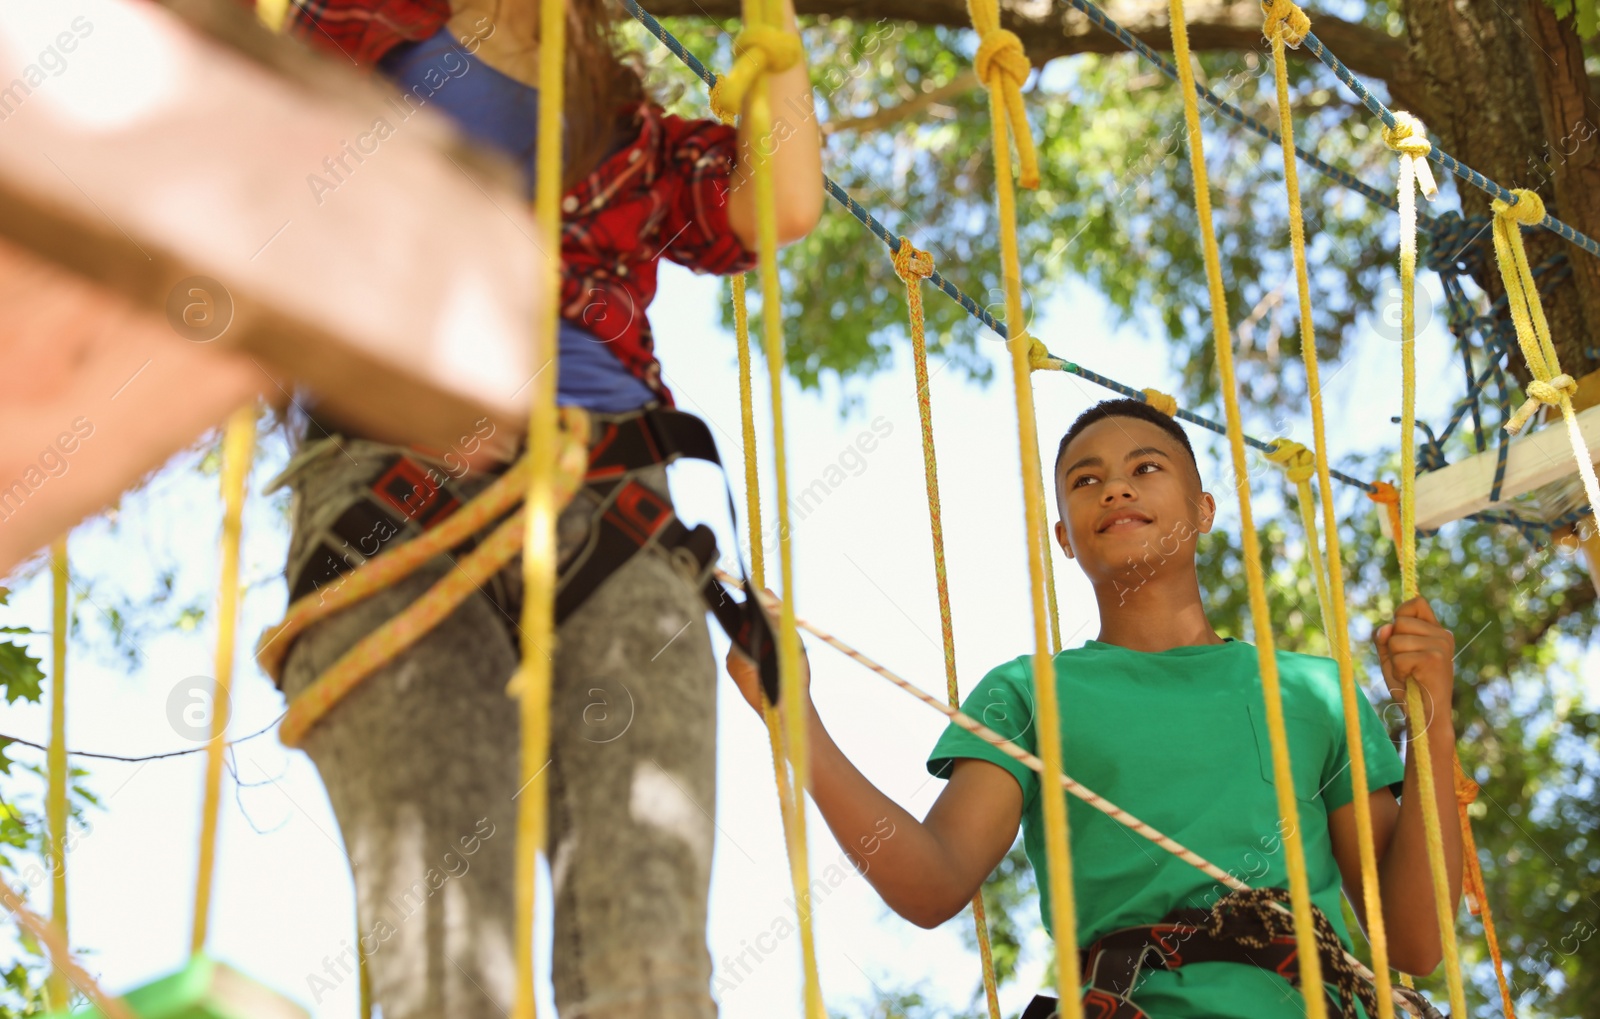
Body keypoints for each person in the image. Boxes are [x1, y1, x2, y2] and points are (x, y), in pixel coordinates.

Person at [264, 1, 823, 1017]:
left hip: (610, 503)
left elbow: (776, 204)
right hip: (391, 481)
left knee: (651, 970)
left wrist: (771, 30)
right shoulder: (340, 28)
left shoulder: (624, 117)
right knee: (448, 966)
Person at [726, 398, 1464, 1018]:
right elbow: (933, 880)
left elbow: (1415, 941)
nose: (1115, 489)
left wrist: (1432, 719)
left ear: (1204, 509)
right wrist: (793, 719)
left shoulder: (1313, 690)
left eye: (1146, 468)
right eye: (1087, 480)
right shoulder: (1029, 694)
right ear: (1064, 539)